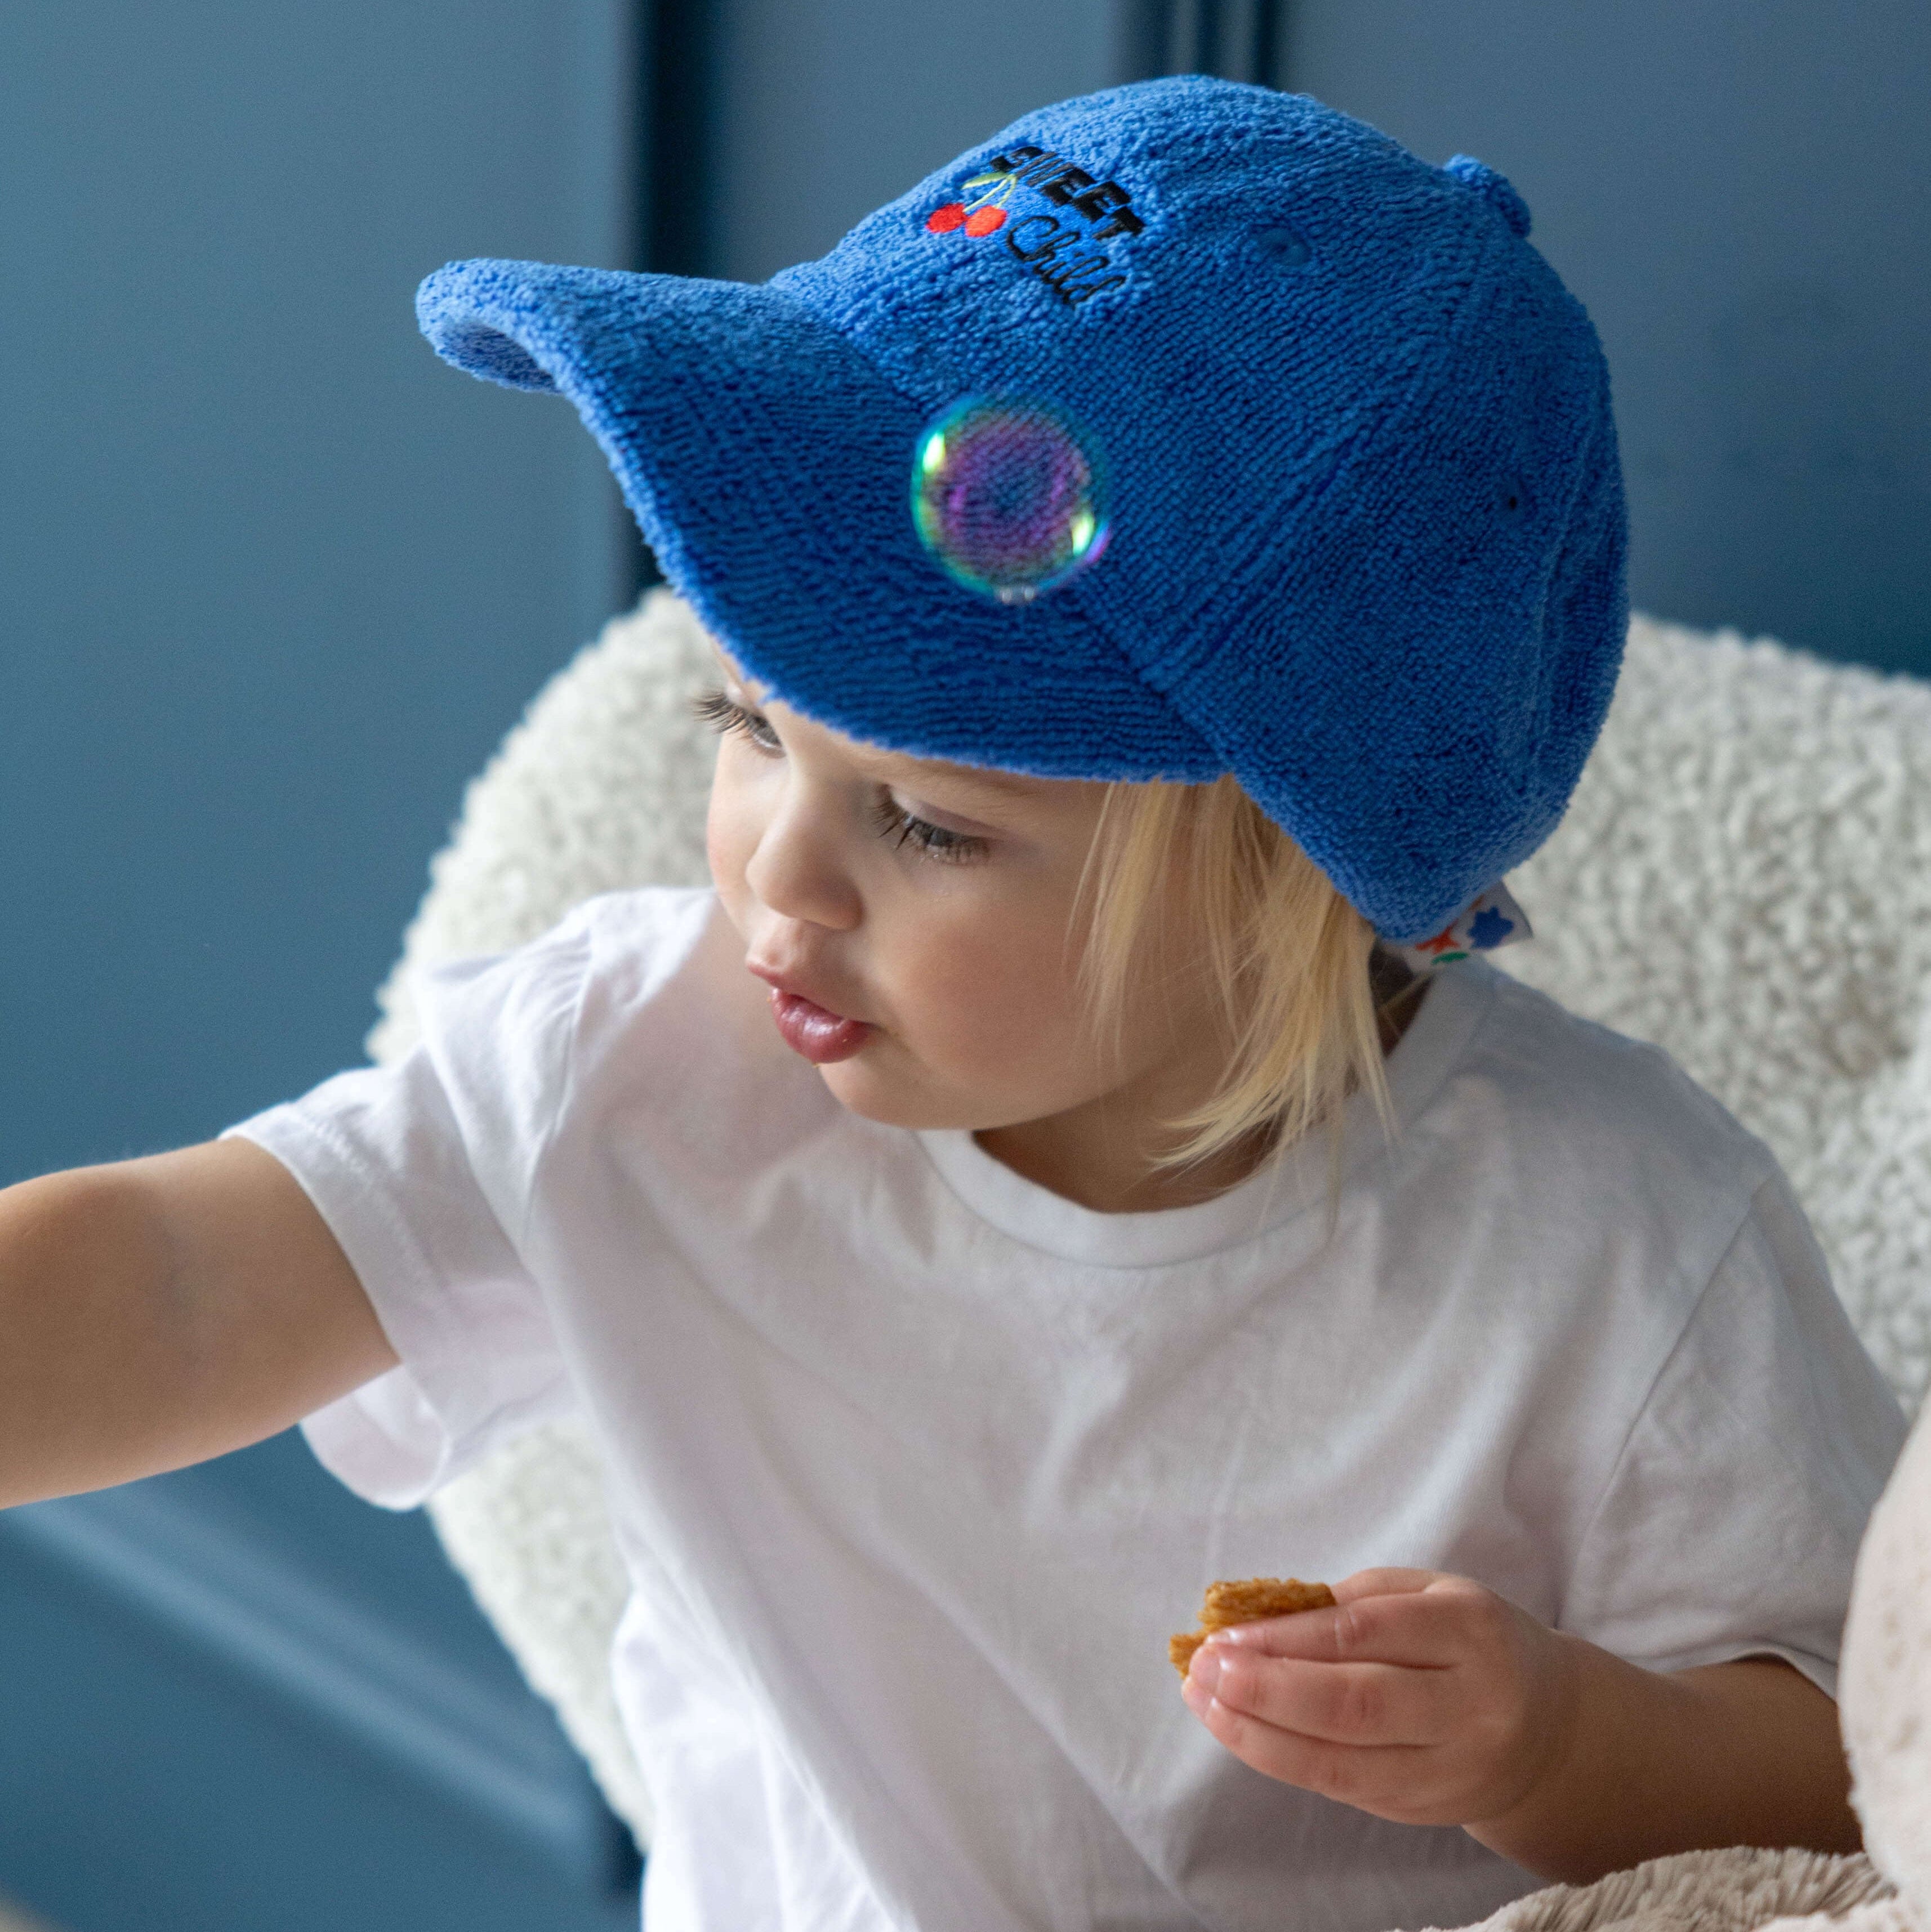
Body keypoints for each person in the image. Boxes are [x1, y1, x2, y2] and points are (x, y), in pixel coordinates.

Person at [0, 74, 1905, 1932]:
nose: (779, 876)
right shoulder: (631, 1059)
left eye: (925, 823)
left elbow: (1853, 1764)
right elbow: (179, 1277)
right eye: (751, 727)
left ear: (1295, 883)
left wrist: (1557, 1739)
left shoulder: (1626, 1247)